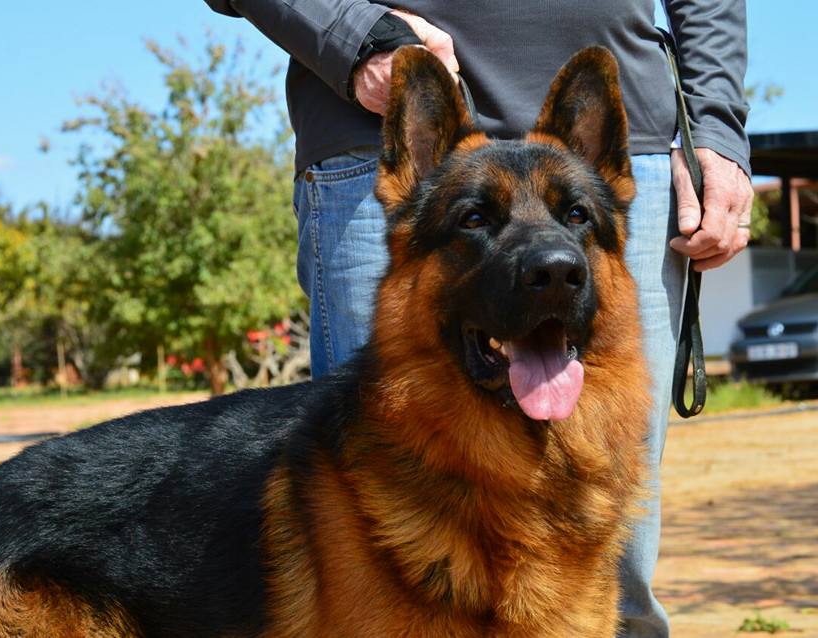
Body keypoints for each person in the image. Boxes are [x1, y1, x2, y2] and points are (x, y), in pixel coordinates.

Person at [205, 2, 753, 636]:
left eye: (571, 224)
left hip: (636, 130)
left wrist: (716, 125)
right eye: (477, 220)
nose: (554, 261)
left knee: (620, 588)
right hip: (372, 111)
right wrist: (350, 34)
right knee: (379, 544)